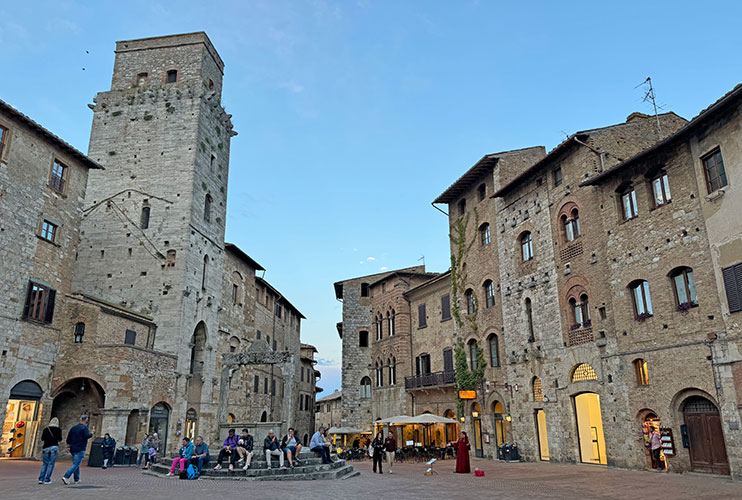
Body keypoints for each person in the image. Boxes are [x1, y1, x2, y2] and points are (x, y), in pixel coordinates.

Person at [61, 415, 93, 485]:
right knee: (76, 464)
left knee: (76, 464)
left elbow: (68, 438)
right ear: (86, 421)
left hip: (73, 448)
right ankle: (66, 476)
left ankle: (76, 479)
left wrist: (68, 446)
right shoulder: (84, 428)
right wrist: (92, 433)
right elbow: (87, 435)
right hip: (80, 448)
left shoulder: (73, 428)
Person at [38, 417, 62, 484]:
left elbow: (42, 438)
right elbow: (60, 439)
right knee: (51, 464)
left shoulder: (46, 429)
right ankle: (47, 479)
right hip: (54, 447)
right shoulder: (58, 430)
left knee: (45, 464)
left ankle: (41, 479)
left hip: (46, 447)